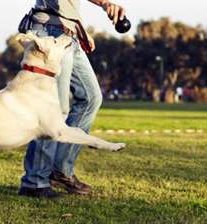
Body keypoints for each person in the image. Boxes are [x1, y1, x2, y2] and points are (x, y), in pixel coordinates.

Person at [18, 0, 126, 198]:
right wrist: (104, 3)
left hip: (69, 33)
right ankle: (34, 182)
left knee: (91, 98)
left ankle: (60, 171)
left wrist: (79, 27)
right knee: (55, 110)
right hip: (50, 33)